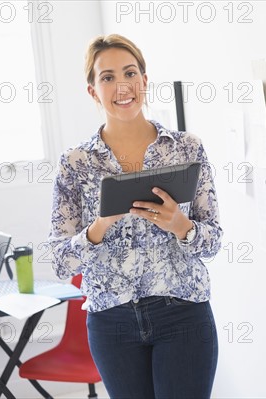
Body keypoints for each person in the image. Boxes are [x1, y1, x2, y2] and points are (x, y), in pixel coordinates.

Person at [48, 34, 223, 398]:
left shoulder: (186, 149)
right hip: (111, 323)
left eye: (130, 73)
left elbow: (213, 240)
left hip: (183, 315)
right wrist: (98, 227)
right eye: (107, 77)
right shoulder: (75, 164)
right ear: (93, 91)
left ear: (144, 80)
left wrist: (182, 227)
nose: (121, 85)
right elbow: (60, 262)